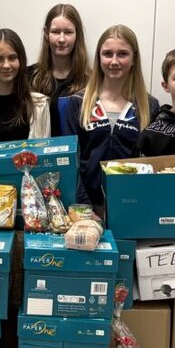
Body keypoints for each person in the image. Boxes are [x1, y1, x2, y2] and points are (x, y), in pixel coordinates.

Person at [62, 24, 159, 209]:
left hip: (132, 205)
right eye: (107, 54)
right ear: (99, 57)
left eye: (122, 54)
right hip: (87, 207)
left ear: (133, 59)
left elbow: (151, 165)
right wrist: (84, 208)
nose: (114, 61)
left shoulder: (149, 106)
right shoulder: (77, 103)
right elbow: (69, 163)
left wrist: (135, 205)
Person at [27, 3, 91, 135]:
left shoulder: (91, 81)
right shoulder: (28, 77)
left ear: (77, 34)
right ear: (46, 33)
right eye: (55, 32)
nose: (61, 39)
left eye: (68, 32)